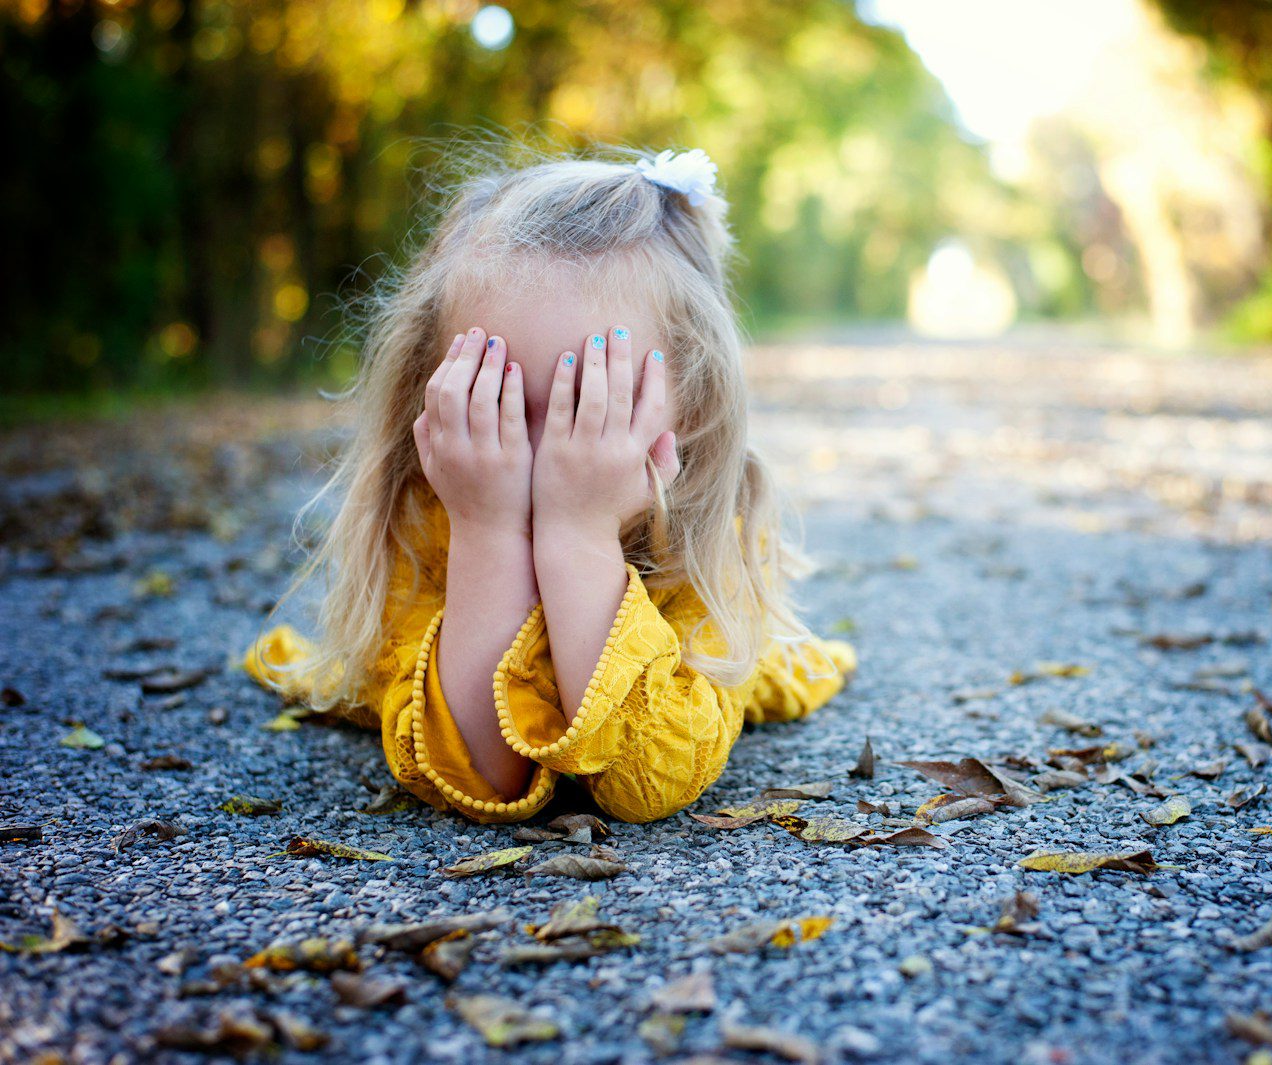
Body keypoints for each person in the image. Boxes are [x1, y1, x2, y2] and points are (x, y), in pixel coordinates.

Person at [239, 146, 856, 824]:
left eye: (591, 401)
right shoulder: (428, 514)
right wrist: (487, 531)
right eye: (492, 398)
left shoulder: (702, 534)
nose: (544, 453)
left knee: (782, 671)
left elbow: (653, 778)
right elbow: (476, 773)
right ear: (428, 389)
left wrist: (578, 533)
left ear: (694, 405)